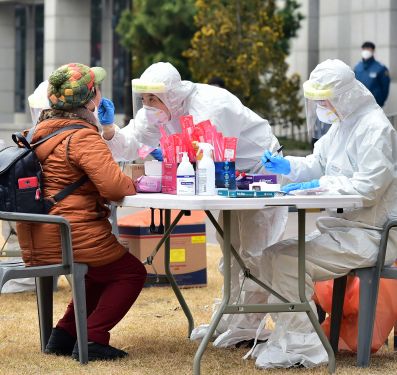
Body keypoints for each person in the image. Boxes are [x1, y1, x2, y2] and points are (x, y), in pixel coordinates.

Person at [98, 62, 288, 348]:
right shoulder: (162, 107)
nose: (148, 106)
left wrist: (179, 155)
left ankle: (250, 325)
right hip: (228, 179)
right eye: (144, 99)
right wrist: (110, 129)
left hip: (260, 172)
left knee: (253, 251)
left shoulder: (210, 105)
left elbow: (212, 152)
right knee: (233, 250)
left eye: (153, 99)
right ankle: (231, 316)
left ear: (170, 95)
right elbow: (134, 139)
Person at [255, 59, 397, 368]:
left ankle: (305, 347)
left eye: (324, 99)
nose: (320, 106)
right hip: (343, 228)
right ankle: (289, 337)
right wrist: (289, 166)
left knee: (287, 260)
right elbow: (318, 163)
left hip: (372, 235)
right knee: (271, 255)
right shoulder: (342, 125)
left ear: (344, 96)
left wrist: (321, 184)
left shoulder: (375, 128)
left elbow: (369, 187)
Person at [17, 63, 146, 361]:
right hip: (70, 235)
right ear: (90, 101)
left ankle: (64, 334)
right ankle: (94, 338)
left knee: (98, 274)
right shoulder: (82, 137)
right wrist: (134, 182)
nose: (100, 95)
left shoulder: (34, 133)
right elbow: (115, 189)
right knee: (131, 272)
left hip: (37, 235)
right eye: (97, 90)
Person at [353, 41, 390, 107]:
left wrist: (380, 102)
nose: (365, 51)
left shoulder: (380, 67)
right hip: (358, 104)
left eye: (368, 49)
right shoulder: (357, 66)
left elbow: (385, 87)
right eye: (364, 49)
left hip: (374, 104)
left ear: (373, 51)